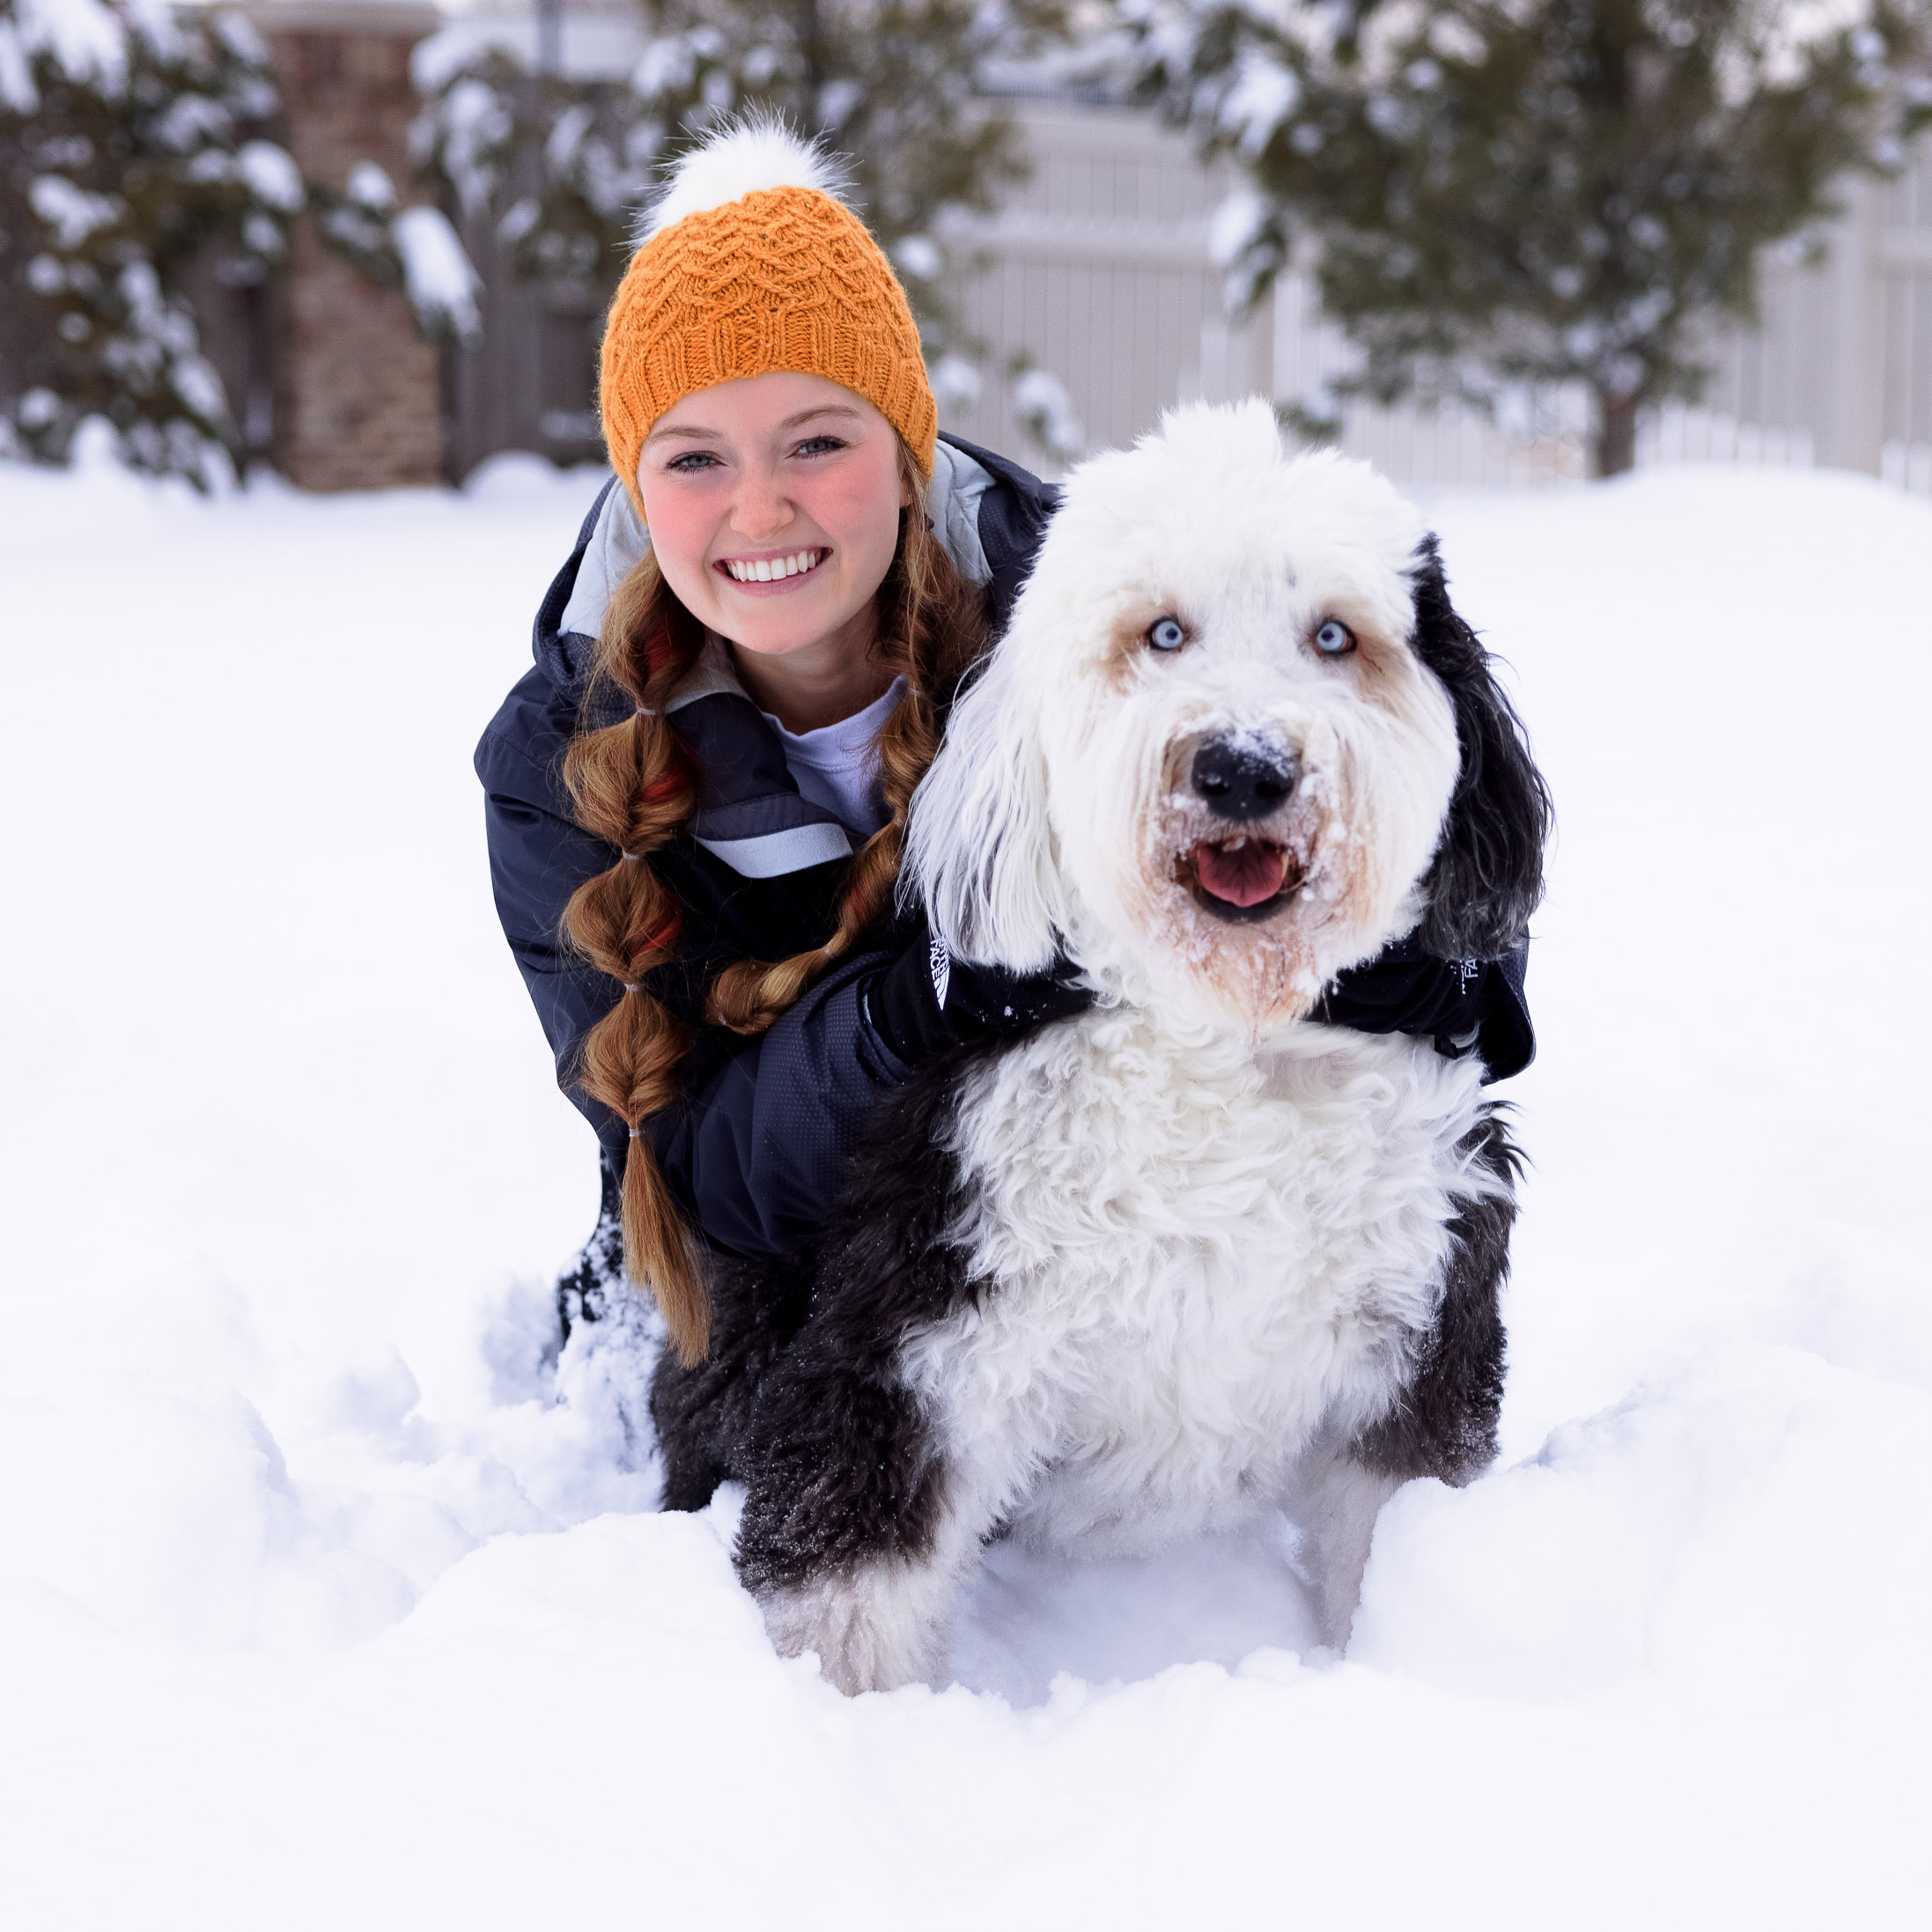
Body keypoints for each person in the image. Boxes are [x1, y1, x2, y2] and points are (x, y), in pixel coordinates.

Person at [475, 118, 1533, 1361]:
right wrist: (916, 1005)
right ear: (636, 487)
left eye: (817, 440)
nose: (760, 507)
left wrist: (1251, 932)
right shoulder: (561, 758)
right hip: (780, 1265)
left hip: (1109, 1220)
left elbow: (1467, 976)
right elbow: (703, 1172)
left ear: (907, 445)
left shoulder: (1096, 610)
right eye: (695, 458)